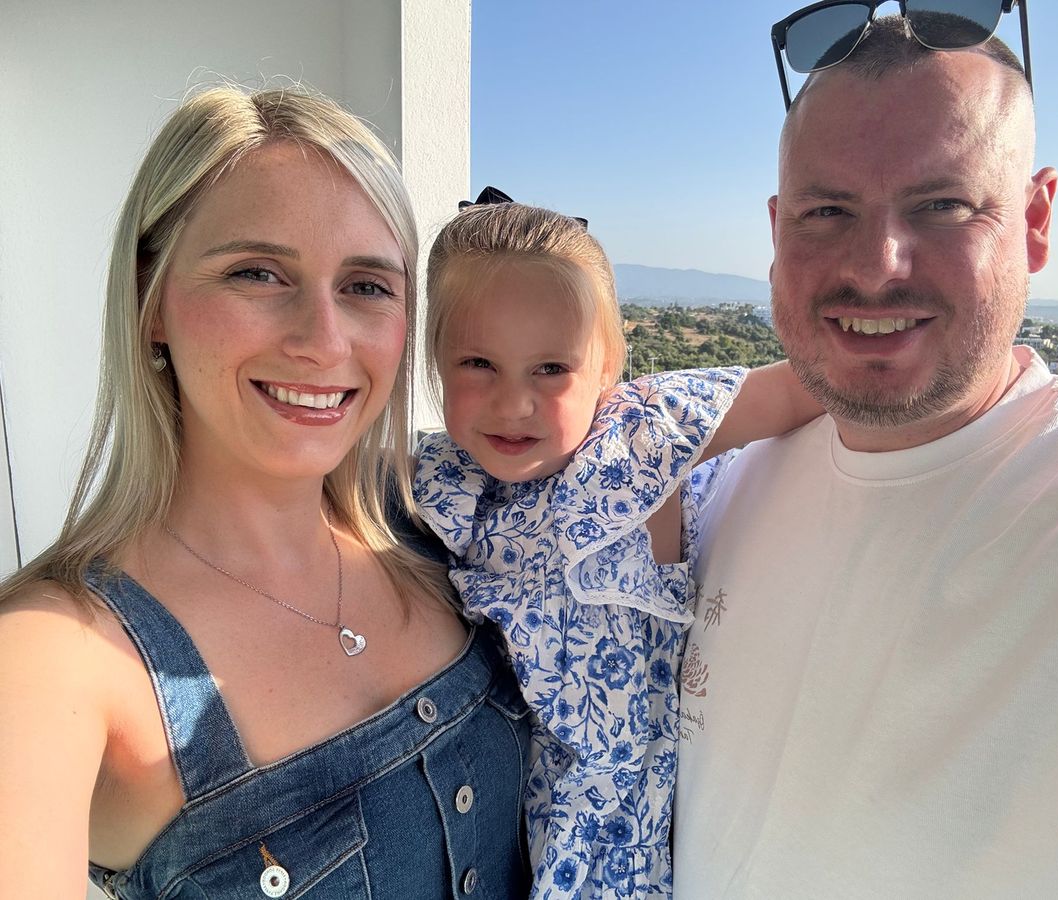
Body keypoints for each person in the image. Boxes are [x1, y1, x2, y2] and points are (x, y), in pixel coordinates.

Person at [673, 15, 1058, 900]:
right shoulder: (720, 483)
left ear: (1035, 220)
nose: (876, 267)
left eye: (943, 205)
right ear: (776, 231)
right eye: (827, 210)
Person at [0, 86, 531, 899]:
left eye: (366, 287)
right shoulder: (55, 657)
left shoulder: (442, 522)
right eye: (257, 272)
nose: (323, 341)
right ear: (152, 304)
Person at [411, 199, 820, 898]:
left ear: (608, 365)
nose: (513, 404)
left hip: (621, 834)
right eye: (478, 363)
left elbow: (810, 385)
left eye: (550, 369)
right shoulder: (438, 479)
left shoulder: (639, 440)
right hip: (483, 832)